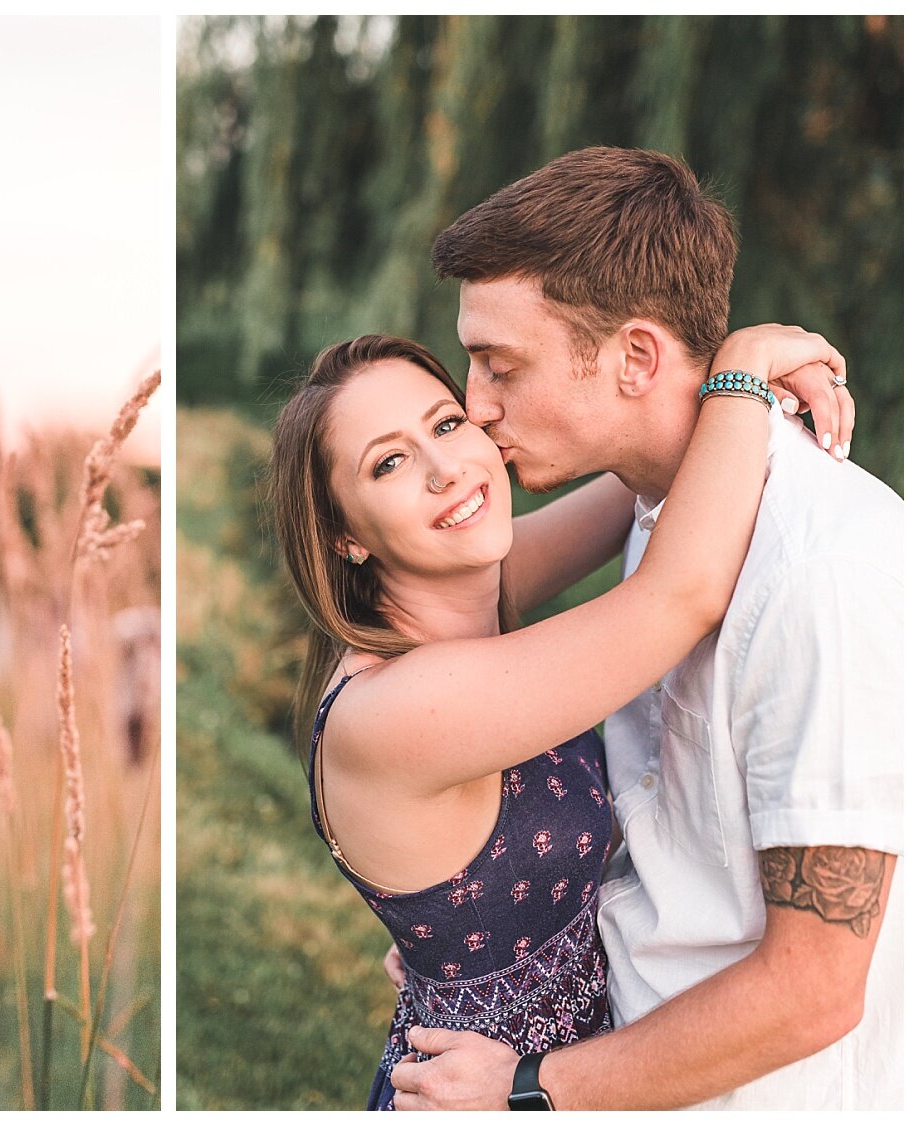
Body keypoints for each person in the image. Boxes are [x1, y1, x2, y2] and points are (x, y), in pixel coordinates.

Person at [385, 147, 901, 1110]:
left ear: (634, 359)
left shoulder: (822, 573)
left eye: (501, 365)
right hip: (632, 1057)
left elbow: (816, 990)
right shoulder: (659, 509)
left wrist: (533, 1087)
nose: (473, 402)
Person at [268, 322, 845, 1111]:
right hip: (487, 1096)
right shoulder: (399, 708)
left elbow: (642, 470)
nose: (448, 469)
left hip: (565, 1071)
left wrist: (724, 388)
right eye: (390, 462)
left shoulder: (466, 587)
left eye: (446, 423)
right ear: (343, 534)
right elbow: (679, 594)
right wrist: (745, 365)